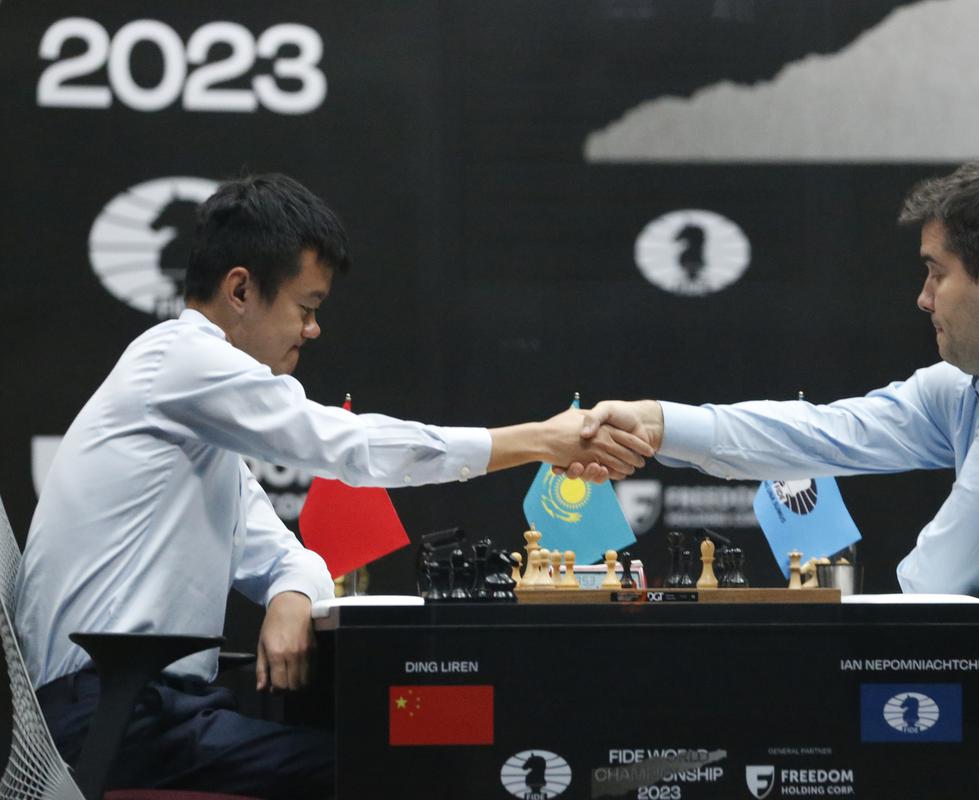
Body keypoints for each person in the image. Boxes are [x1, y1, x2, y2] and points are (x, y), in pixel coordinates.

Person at [14, 173, 652, 799]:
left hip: (151, 713)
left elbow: (284, 553)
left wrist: (291, 593)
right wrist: (541, 439)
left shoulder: (199, 420)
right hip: (113, 717)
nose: (312, 330)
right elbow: (350, 447)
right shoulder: (180, 362)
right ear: (240, 290)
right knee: (401, 768)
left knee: (396, 752)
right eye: (306, 308)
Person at [577, 158, 979, 799]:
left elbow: (936, 583)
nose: (923, 297)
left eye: (936, 272)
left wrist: (788, 655)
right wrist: (659, 424)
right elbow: (822, 434)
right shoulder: (977, 385)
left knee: (870, 772)